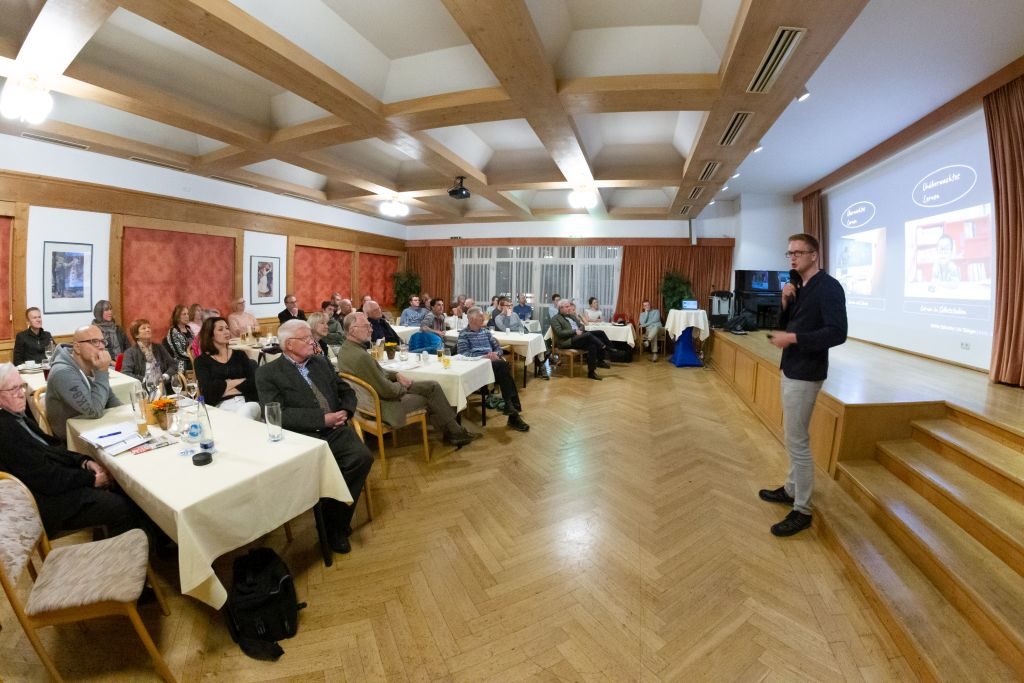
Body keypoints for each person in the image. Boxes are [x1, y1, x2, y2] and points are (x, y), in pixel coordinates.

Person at [256, 320, 374, 554]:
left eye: (311, 337)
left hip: (336, 429)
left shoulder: (320, 363)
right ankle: (334, 527)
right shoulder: (268, 373)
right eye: (306, 338)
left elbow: (345, 391)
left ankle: (334, 524)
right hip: (302, 437)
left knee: (362, 458)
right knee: (322, 471)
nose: (312, 341)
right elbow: (277, 413)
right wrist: (322, 419)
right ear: (289, 345)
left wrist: (347, 411)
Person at [760, 233, 848, 537]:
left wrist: (794, 339)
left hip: (807, 370)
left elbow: (837, 333)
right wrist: (785, 302)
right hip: (792, 366)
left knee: (797, 441)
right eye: (789, 253)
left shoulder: (829, 287)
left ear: (814, 255)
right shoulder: (800, 286)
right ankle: (791, 488)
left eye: (799, 252)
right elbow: (788, 325)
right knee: (793, 434)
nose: (793, 257)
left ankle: (802, 509)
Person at [0, 363, 140, 538]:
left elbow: (53, 449)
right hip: (46, 504)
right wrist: (91, 480)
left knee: (119, 485)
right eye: (13, 390)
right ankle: (123, 556)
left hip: (54, 486)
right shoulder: (6, 431)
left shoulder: (16, 418)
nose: (21, 394)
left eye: (22, 386)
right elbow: (45, 477)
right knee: (121, 505)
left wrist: (84, 461)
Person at [338, 312, 481, 447]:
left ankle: (451, 431)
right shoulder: (361, 356)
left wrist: (396, 375)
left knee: (432, 386)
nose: (371, 329)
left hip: (366, 404)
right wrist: (404, 387)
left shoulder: (346, 349)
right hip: (383, 405)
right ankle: (455, 432)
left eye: (370, 325)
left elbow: (376, 372)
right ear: (352, 330)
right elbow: (388, 391)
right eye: (366, 326)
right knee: (430, 394)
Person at [457, 307, 529, 432]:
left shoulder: (486, 332)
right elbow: (463, 354)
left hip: (491, 364)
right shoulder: (464, 334)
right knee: (503, 367)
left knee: (502, 366)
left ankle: (511, 408)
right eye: (480, 316)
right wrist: (483, 356)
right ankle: (512, 411)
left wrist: (495, 354)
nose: (483, 318)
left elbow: (499, 349)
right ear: (472, 319)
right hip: (475, 366)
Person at [45, 325, 121, 442]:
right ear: (77, 347)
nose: (101, 347)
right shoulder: (63, 372)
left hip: (94, 428)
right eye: (94, 341)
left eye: (102, 341)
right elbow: (94, 411)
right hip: (72, 441)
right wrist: (102, 371)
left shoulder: (89, 363)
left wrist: (127, 416)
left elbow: (110, 399)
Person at [193, 317, 261, 420]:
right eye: (221, 329)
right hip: (221, 406)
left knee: (245, 413)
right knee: (239, 419)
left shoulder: (239, 354)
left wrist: (223, 387)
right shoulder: (201, 361)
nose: (226, 332)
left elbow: (253, 384)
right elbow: (208, 392)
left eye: (227, 328)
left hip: (247, 402)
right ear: (210, 335)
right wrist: (241, 381)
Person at [549, 300, 609, 380]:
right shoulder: (555, 319)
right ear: (561, 308)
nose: (569, 308)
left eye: (569, 306)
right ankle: (605, 347)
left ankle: (591, 372)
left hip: (578, 338)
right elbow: (560, 333)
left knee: (594, 343)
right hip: (566, 342)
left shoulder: (571, 316)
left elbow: (582, 325)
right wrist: (575, 331)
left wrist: (579, 330)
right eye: (567, 307)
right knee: (588, 334)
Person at [122, 318, 177, 387]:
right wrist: (145, 380)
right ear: (136, 335)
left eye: (149, 327)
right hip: (142, 388)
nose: (148, 330)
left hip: (162, 386)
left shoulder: (159, 347)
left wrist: (165, 376)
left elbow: (173, 365)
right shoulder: (130, 352)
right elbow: (126, 373)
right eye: (143, 328)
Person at [166, 304, 195, 373]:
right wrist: (193, 358)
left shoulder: (189, 329)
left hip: (193, 359)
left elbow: (195, 345)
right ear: (177, 317)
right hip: (181, 362)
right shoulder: (173, 331)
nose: (187, 316)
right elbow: (179, 353)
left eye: (187, 314)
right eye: (184, 314)